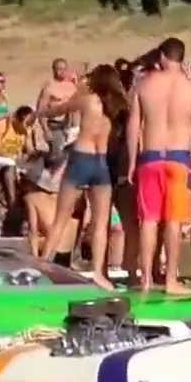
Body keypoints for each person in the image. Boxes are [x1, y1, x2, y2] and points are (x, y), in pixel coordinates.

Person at [127, 38, 191, 295]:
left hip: (150, 157)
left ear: (163, 57)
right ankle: (171, 280)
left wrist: (132, 162)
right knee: (174, 220)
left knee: (149, 220)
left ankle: (146, 279)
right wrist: (186, 130)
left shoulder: (143, 85)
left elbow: (133, 127)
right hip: (178, 157)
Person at [39, 65, 127, 290]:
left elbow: (58, 110)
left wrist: (41, 113)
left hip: (81, 159)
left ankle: (43, 266)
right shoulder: (118, 106)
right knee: (101, 223)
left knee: (61, 218)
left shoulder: (88, 100)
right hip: (101, 162)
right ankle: (98, 273)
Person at [36, 58, 78, 163]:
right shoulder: (49, 88)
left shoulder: (71, 86)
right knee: (58, 155)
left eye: (64, 69)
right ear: (53, 70)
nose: (62, 72)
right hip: (55, 126)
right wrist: (46, 130)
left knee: (73, 155)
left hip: (71, 126)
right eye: (59, 69)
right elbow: (41, 110)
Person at [0, 106, 33, 209]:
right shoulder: (3, 124)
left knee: (12, 193)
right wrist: (10, 156)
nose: (28, 126)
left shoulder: (25, 130)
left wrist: (28, 136)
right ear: (20, 118)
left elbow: (29, 150)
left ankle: (12, 211)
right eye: (27, 123)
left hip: (10, 162)